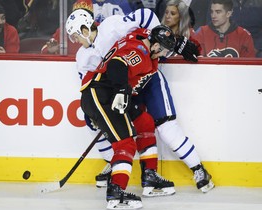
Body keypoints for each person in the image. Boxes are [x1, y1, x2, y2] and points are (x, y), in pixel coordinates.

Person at [73, 4, 213, 193]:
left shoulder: (111, 26)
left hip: (147, 76)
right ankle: (129, 169)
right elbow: (92, 82)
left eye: (75, 35)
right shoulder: (82, 56)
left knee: (165, 125)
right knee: (139, 124)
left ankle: (198, 169)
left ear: (84, 28)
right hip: (127, 87)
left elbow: (145, 16)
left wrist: (170, 41)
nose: (74, 41)